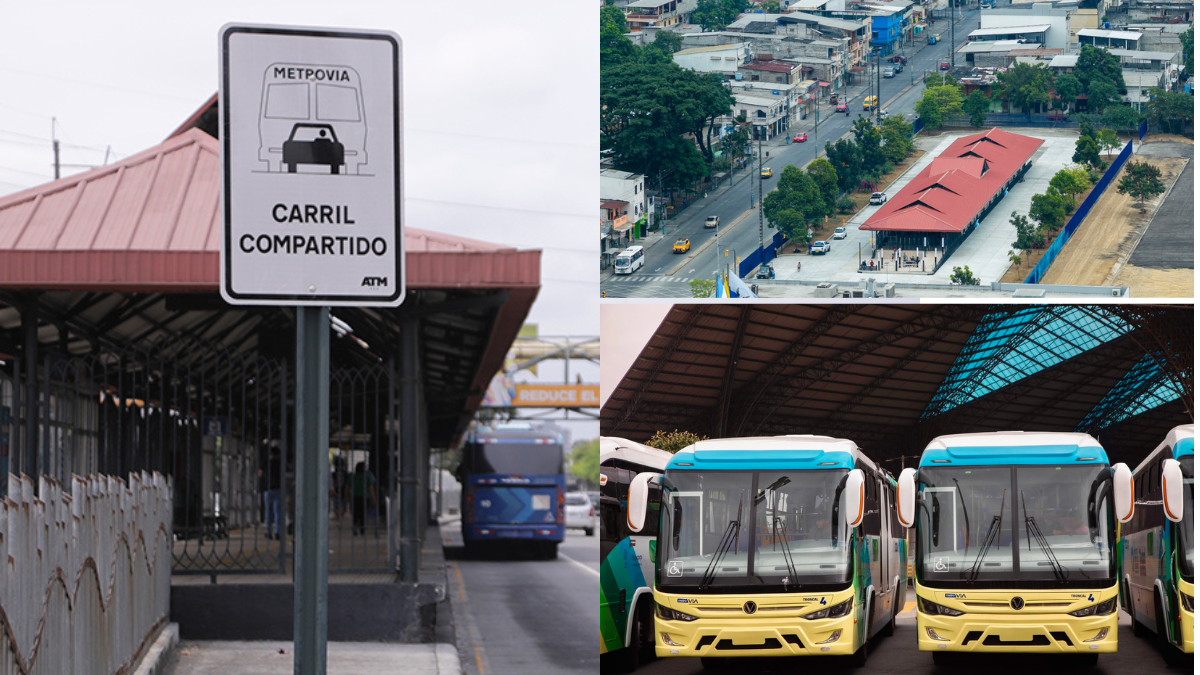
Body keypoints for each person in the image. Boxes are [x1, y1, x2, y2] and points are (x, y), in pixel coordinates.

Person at [260, 445, 282, 540]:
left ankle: (268, 532)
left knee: (268, 512)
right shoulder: (280, 463)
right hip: (278, 489)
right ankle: (277, 532)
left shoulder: (265, 463)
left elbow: (260, 474)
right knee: (277, 512)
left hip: (267, 490)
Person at [350, 461, 377, 536]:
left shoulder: (353, 477)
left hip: (355, 497)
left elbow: (347, 488)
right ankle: (363, 530)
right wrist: (373, 499)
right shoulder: (367, 477)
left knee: (355, 513)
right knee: (364, 513)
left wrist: (347, 498)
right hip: (365, 498)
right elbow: (371, 489)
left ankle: (355, 526)